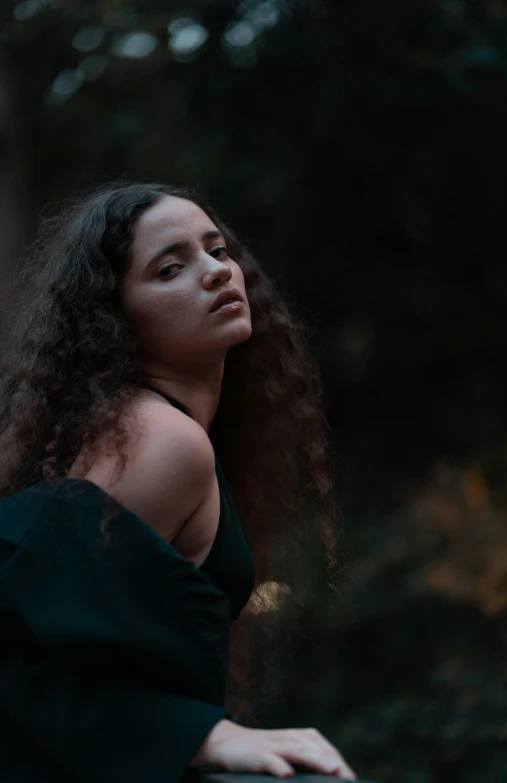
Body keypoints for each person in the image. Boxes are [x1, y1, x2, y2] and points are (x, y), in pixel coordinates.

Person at [0, 182, 356, 782]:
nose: (217, 272)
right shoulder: (163, 438)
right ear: (112, 317)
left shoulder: (145, 427)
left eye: (216, 250)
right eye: (170, 269)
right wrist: (200, 734)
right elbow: (17, 631)